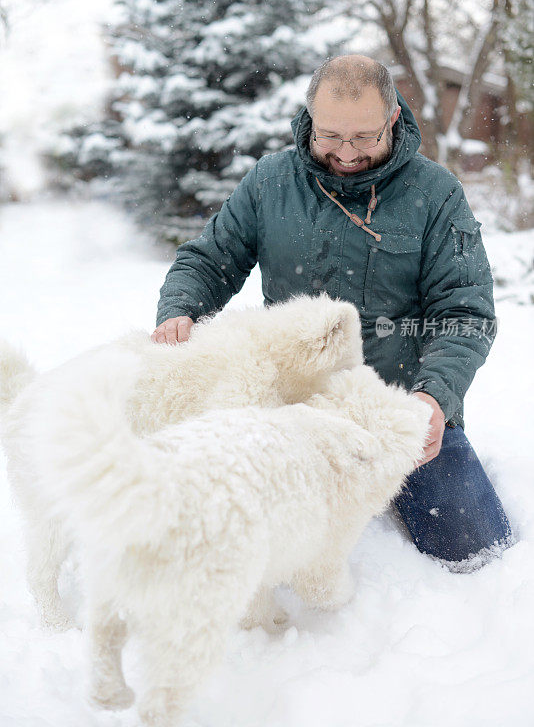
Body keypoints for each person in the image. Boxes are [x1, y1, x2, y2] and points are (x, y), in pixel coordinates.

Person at [152, 54, 513, 568]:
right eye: (330, 136)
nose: (345, 153)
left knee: (476, 554)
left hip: (399, 405)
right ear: (309, 119)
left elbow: (466, 312)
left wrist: (434, 396)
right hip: (294, 402)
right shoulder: (270, 182)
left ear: (392, 118)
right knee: (236, 543)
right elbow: (208, 261)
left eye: (364, 137)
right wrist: (181, 310)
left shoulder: (435, 195)